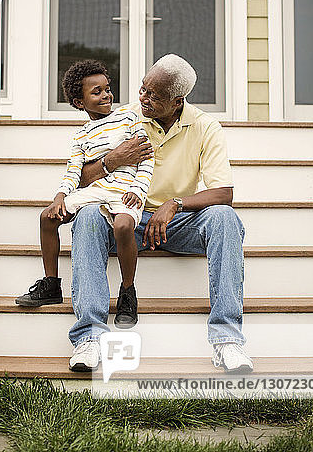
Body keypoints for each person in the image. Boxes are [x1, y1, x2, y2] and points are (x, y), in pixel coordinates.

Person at [65, 54, 253, 374]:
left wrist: (175, 204)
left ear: (177, 100)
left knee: (224, 218)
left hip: (178, 223)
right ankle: (89, 337)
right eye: (142, 89)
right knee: (86, 217)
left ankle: (227, 340)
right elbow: (80, 178)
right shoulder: (125, 117)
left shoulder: (206, 126)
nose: (143, 98)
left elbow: (224, 193)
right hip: (127, 217)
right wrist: (112, 160)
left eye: (154, 95)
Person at [15, 60, 154, 339]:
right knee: (46, 217)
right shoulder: (80, 135)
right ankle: (52, 284)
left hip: (125, 190)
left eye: (107, 89)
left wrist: (139, 191)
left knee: (124, 227)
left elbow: (147, 159)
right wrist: (59, 197)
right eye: (97, 92)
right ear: (80, 102)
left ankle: (127, 290)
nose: (106, 96)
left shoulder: (129, 119)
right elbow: (73, 172)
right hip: (94, 193)